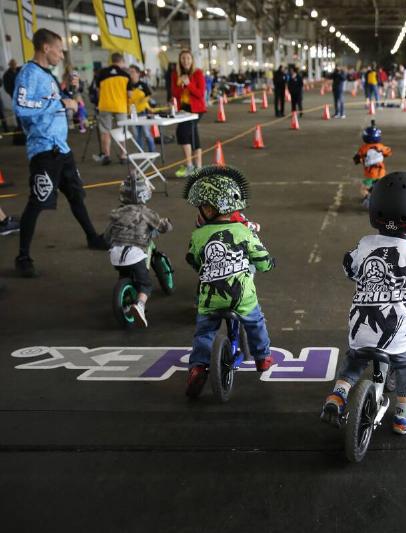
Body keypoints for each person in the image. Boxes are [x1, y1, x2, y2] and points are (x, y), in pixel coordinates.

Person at [320, 172, 406, 434]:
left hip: (359, 328)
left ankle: (338, 394)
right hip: (396, 334)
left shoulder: (365, 244)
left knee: (354, 359)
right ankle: (404, 415)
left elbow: (348, 268)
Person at [12, 28, 108, 278]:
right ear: (46, 48)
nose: (62, 54)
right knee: (37, 202)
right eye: (59, 49)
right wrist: (59, 102)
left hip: (62, 149)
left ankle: (92, 237)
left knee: (76, 196)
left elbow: (49, 103)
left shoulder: (48, 75)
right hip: (44, 150)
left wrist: (68, 94)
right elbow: (21, 107)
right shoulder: (28, 74)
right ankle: (23, 256)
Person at [183, 166, 276, 397]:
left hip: (210, 297)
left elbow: (193, 260)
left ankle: (198, 366)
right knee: (255, 322)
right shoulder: (244, 231)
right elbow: (262, 259)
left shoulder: (198, 235)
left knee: (204, 332)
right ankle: (263, 357)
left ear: (210, 208)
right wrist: (269, 264)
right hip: (240, 296)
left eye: (201, 207)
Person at [104, 175, 173, 327]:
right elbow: (161, 227)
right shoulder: (146, 212)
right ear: (145, 194)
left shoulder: (117, 213)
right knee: (145, 285)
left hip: (116, 254)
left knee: (125, 272)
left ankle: (125, 296)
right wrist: (167, 224)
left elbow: (107, 235)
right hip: (135, 252)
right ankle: (140, 305)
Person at [171, 50, 206, 178]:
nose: (185, 61)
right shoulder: (176, 74)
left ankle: (190, 166)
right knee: (192, 134)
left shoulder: (197, 73)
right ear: (180, 60)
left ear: (192, 60)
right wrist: (179, 86)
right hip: (183, 108)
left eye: (188, 58)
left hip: (196, 109)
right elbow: (174, 93)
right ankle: (198, 167)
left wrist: (189, 84)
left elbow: (200, 93)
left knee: (183, 132)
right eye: (183, 58)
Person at [96, 52, 131, 165]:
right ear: (121, 61)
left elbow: (98, 91)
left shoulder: (102, 73)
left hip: (105, 105)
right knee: (122, 131)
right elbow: (129, 94)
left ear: (111, 61)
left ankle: (106, 155)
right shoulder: (125, 75)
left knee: (105, 131)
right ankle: (123, 155)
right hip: (120, 106)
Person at [353, 121, 392, 203]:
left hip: (370, 174)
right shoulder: (381, 146)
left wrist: (360, 160)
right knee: (379, 187)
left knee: (364, 188)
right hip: (381, 173)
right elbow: (388, 152)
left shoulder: (363, 148)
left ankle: (368, 200)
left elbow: (356, 159)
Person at [128, 65, 155, 152]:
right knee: (137, 135)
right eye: (129, 72)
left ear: (138, 73)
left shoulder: (143, 85)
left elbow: (149, 94)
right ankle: (141, 153)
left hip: (144, 112)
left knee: (147, 133)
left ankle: (152, 152)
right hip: (133, 113)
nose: (130, 74)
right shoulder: (127, 85)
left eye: (132, 72)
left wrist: (143, 100)